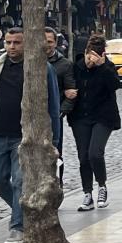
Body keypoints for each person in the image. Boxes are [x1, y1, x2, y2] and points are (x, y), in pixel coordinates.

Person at [0, 27, 61, 243]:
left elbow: (53, 106)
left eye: (17, 43)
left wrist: (54, 142)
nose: (12, 47)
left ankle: (17, 227)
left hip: (24, 136)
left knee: (20, 182)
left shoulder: (42, 68)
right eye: (8, 42)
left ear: (26, 44)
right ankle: (26, 211)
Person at [68, 36, 121, 211]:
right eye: (89, 54)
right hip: (80, 117)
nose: (92, 58)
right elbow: (67, 84)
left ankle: (102, 186)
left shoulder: (107, 67)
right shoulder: (76, 67)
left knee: (95, 153)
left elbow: (114, 85)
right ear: (84, 53)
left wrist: (102, 66)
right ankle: (87, 193)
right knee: (83, 156)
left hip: (103, 117)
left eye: (96, 55)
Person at [44, 27, 77, 164]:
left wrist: (60, 112)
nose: (46, 44)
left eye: (49, 41)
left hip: (53, 115)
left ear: (55, 43)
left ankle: (58, 182)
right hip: (29, 115)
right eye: (42, 40)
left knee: (55, 152)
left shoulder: (65, 64)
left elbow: (71, 91)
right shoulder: (27, 61)